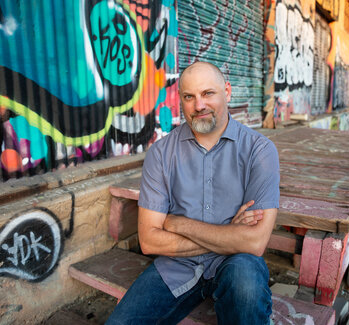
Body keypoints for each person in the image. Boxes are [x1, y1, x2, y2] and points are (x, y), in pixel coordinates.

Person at [106, 61, 280, 325]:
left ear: (228, 92)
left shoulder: (259, 150)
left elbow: (253, 243)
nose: (199, 105)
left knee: (245, 288)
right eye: (189, 97)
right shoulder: (161, 153)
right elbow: (150, 242)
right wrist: (229, 233)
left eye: (208, 93)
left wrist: (177, 223)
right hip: (177, 266)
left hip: (237, 263)